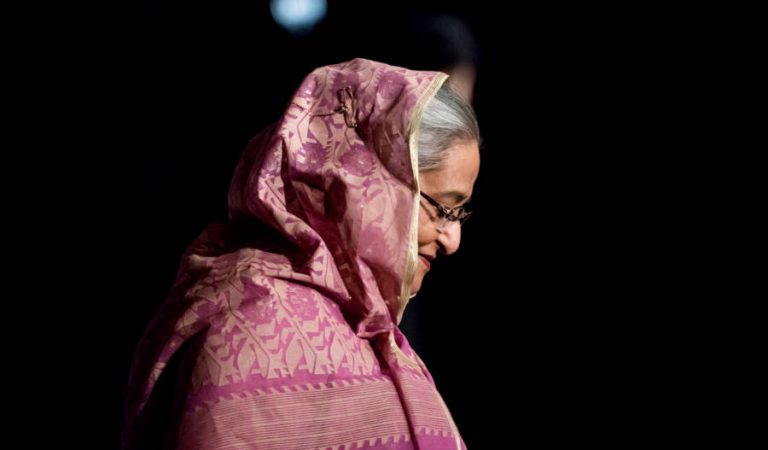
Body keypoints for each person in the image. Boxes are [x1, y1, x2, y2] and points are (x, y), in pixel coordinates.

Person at [122, 58, 480, 450]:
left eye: (461, 213)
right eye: (443, 209)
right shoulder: (244, 325)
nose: (453, 239)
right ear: (361, 183)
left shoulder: (374, 330)